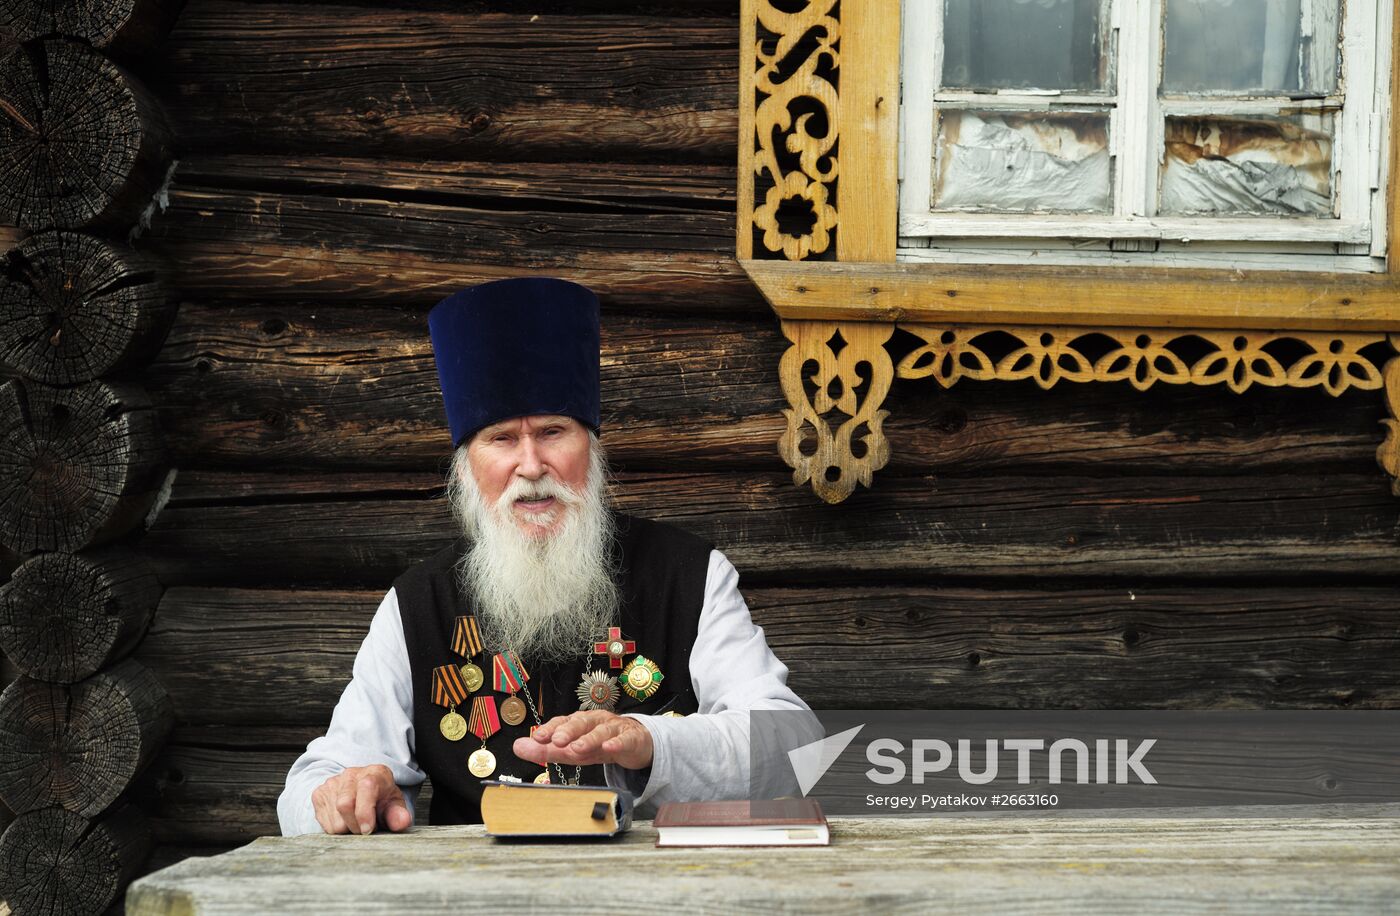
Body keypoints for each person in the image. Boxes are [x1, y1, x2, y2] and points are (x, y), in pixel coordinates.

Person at [277, 276, 813, 835]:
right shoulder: (418, 602)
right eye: (501, 438)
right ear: (467, 466)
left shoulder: (689, 574)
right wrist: (345, 794)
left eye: (553, 432)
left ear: (592, 449)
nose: (531, 467)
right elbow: (311, 790)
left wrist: (652, 741)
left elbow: (793, 746)